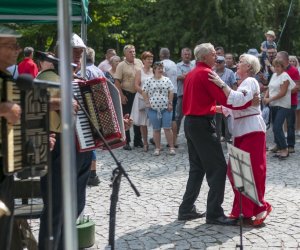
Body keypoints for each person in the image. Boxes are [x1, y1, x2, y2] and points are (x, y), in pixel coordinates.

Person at [38, 33, 93, 250]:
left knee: (75, 206)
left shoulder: (79, 80)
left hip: (81, 148)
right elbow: (31, 104)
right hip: (57, 147)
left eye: (81, 55)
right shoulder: (48, 76)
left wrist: (114, 126)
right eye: (75, 54)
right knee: (56, 210)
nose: (79, 59)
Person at [209, 53, 272, 226]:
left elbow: (238, 101)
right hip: (242, 132)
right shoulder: (242, 84)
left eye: (241, 62)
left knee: (251, 171)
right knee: (238, 171)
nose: (237, 64)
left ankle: (258, 208)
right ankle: (245, 210)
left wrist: (221, 84)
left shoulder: (250, 81)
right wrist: (213, 108)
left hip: (251, 131)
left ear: (249, 68)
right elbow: (234, 106)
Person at [177, 43, 237, 225]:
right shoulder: (206, 73)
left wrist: (214, 108)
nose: (217, 57)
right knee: (218, 168)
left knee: (197, 168)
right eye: (213, 54)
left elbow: (197, 99)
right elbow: (225, 97)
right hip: (202, 125)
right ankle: (214, 213)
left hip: (191, 123)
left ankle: (186, 208)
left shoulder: (193, 73)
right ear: (204, 57)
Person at [0, 25, 22, 250]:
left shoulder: (7, 77)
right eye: (11, 46)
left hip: (5, 166)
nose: (17, 50)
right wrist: (3, 108)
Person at [77, 47, 106, 187]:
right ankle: (92, 174)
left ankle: (92, 173)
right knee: (92, 142)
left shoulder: (83, 72)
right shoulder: (99, 70)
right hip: (100, 110)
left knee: (88, 141)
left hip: (88, 110)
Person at [264, 58, 295, 159]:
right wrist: (265, 97)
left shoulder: (285, 76)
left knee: (277, 127)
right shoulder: (274, 75)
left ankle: (285, 149)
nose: (276, 68)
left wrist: (269, 99)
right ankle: (281, 148)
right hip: (274, 105)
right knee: (275, 128)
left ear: (283, 67)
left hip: (283, 105)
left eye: (278, 66)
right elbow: (269, 88)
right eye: (275, 66)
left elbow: (283, 93)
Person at [142, 62, 175, 156]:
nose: (161, 70)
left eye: (162, 68)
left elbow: (171, 91)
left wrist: (170, 103)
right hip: (153, 109)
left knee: (167, 128)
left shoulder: (167, 80)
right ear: (154, 70)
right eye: (158, 68)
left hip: (165, 108)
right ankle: (157, 148)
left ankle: (171, 147)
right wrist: (147, 102)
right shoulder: (149, 80)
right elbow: (144, 91)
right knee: (156, 129)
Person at [114, 44, 144, 150]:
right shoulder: (121, 65)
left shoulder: (139, 62)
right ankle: (126, 141)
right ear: (125, 54)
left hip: (138, 94)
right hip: (126, 93)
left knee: (137, 117)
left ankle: (138, 140)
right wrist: (121, 95)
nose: (133, 53)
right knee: (126, 117)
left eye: (134, 51)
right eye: (130, 52)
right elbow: (117, 81)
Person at [274, 51, 300, 154]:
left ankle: (290, 145)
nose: (276, 58)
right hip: (277, 101)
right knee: (277, 124)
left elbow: (297, 87)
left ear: (284, 59)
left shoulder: (293, 70)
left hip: (290, 102)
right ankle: (279, 144)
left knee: (290, 124)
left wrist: (283, 91)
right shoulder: (278, 69)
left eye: (277, 57)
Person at [131, 51, 153, 152]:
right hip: (141, 98)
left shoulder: (153, 71)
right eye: (148, 59)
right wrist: (145, 93)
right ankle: (145, 143)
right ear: (143, 60)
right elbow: (136, 85)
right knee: (143, 122)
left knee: (153, 120)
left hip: (152, 99)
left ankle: (155, 140)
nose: (150, 60)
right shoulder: (140, 71)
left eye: (151, 59)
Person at [214, 55, 236, 143]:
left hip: (227, 100)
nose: (218, 63)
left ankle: (228, 139)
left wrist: (233, 99)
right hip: (215, 101)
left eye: (220, 62)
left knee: (227, 121)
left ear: (224, 63)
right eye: (216, 62)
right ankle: (217, 139)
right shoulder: (212, 72)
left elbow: (234, 86)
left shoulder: (230, 72)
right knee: (216, 121)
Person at [159, 48, 178, 148]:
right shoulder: (174, 64)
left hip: (165, 93)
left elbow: (161, 77)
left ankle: (160, 141)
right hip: (174, 91)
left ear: (161, 55)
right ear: (169, 54)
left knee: (162, 117)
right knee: (173, 117)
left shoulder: (161, 64)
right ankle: (174, 141)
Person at [176, 48, 193, 145]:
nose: (187, 56)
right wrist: (191, 75)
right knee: (178, 117)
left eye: (188, 54)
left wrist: (186, 75)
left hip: (192, 95)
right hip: (182, 94)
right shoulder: (177, 66)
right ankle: (175, 136)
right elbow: (179, 77)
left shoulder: (194, 65)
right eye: (185, 54)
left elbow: (184, 76)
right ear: (182, 55)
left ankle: (190, 137)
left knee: (191, 117)